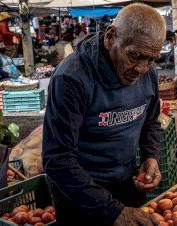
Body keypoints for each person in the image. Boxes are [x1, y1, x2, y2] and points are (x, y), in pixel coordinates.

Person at [42, 3, 165, 226]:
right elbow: (57, 159)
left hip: (127, 183)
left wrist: (150, 156)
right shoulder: (72, 78)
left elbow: (151, 119)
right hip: (81, 196)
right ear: (110, 37)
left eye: (151, 59)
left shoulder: (149, 73)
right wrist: (113, 211)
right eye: (135, 56)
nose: (142, 68)